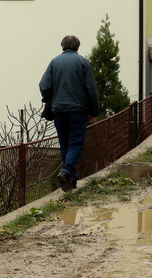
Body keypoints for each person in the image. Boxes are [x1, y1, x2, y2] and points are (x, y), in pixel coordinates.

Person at [39, 35, 99, 192]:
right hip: (77, 110)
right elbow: (91, 89)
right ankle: (66, 171)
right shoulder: (83, 62)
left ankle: (70, 180)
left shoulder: (54, 62)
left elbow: (44, 85)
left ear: (62, 46)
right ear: (77, 47)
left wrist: (49, 99)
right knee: (75, 143)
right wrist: (94, 110)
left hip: (58, 110)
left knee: (64, 143)